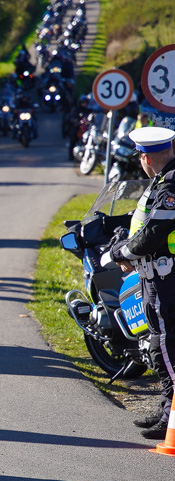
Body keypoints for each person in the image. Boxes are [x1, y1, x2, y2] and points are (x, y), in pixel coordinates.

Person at [108, 126, 175, 440]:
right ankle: (167, 411)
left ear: (146, 157)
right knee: (160, 343)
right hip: (157, 274)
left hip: (167, 276)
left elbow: (155, 231)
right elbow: (144, 223)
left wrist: (121, 251)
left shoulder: (172, 182)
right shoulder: (163, 180)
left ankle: (172, 417)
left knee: (166, 345)